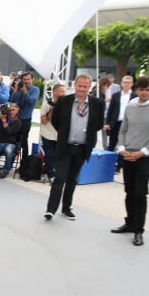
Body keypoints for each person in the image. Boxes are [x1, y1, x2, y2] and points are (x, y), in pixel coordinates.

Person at [110, 76, 149, 246]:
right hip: (128, 154)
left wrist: (142, 152)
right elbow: (123, 130)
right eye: (141, 89)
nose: (144, 93)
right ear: (136, 89)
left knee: (140, 194)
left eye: (147, 89)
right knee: (128, 191)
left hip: (144, 157)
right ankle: (129, 223)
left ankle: (138, 230)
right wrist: (121, 149)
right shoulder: (131, 106)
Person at [44, 74, 105, 221]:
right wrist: (65, 133)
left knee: (72, 179)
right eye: (80, 86)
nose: (82, 89)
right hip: (65, 146)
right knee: (59, 178)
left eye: (85, 86)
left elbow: (99, 124)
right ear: (75, 85)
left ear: (89, 88)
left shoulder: (98, 104)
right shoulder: (64, 101)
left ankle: (66, 208)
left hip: (82, 148)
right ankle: (51, 209)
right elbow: (55, 121)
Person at [105, 75, 137, 174]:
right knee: (112, 144)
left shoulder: (135, 96)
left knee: (123, 145)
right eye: (124, 82)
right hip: (116, 123)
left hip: (128, 124)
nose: (126, 84)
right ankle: (108, 164)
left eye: (128, 82)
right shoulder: (116, 95)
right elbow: (110, 109)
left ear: (132, 84)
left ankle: (119, 166)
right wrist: (107, 123)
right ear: (121, 83)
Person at [9, 71, 39, 162]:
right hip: (15, 119)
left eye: (28, 79)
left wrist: (25, 92)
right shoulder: (19, 89)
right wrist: (16, 90)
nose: (26, 81)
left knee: (23, 142)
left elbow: (31, 102)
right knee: (13, 141)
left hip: (25, 119)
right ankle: (10, 163)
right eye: (24, 79)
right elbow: (12, 100)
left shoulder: (35, 89)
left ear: (32, 79)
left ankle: (24, 164)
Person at [40, 84, 66, 183]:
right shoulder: (47, 104)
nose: (63, 94)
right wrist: (52, 111)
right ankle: (51, 175)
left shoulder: (65, 104)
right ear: (55, 92)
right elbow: (43, 121)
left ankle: (47, 174)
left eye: (64, 91)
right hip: (47, 134)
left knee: (56, 156)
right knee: (49, 155)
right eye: (61, 91)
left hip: (59, 135)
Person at [0, 103, 21, 178]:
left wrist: (3, 120)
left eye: (13, 110)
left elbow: (9, 132)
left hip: (10, 143)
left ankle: (6, 170)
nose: (11, 111)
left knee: (9, 151)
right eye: (10, 110)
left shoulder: (18, 122)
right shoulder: (4, 116)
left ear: (17, 110)